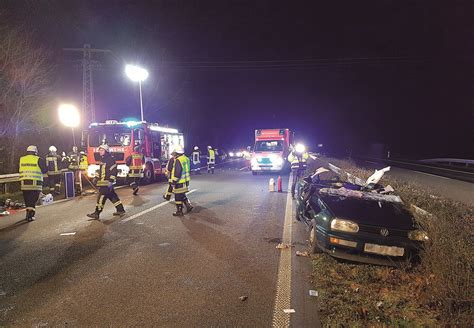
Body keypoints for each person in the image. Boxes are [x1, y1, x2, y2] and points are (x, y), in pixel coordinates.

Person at [87, 144, 125, 219]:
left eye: (101, 150)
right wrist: (96, 177)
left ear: (106, 151)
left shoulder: (110, 159)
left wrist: (110, 181)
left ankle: (97, 213)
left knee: (101, 197)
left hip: (107, 182)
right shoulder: (103, 160)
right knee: (112, 196)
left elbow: (114, 171)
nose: (100, 152)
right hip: (102, 182)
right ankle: (120, 210)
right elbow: (101, 171)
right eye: (99, 150)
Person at [19, 145, 47, 222]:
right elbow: (44, 170)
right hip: (35, 183)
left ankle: (28, 213)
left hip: (24, 182)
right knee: (33, 199)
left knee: (27, 199)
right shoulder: (38, 159)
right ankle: (30, 215)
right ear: (35, 152)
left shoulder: (22, 159)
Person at [170, 146, 193, 216]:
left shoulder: (178, 160)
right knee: (182, 194)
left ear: (177, 153)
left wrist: (173, 181)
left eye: (174, 154)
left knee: (177, 197)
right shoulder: (186, 158)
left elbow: (177, 172)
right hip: (186, 181)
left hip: (179, 182)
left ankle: (179, 211)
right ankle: (188, 205)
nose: (173, 156)